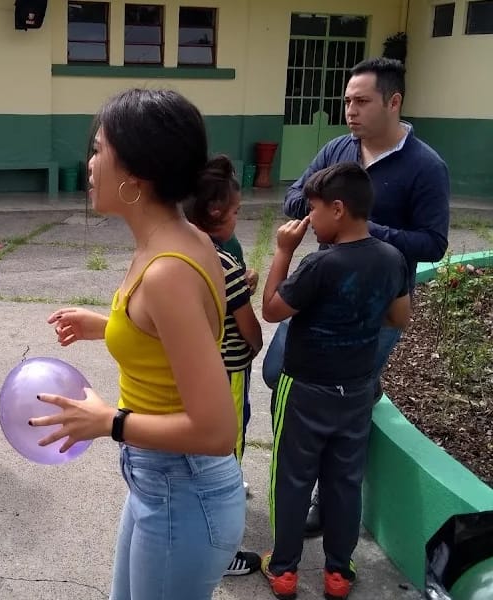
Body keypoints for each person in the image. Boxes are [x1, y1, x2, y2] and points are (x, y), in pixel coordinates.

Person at [31, 89, 246, 600]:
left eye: (98, 149)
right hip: (163, 481)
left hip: (184, 486)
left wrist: (110, 422)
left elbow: (217, 430)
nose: (88, 163)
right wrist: (109, 325)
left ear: (137, 173)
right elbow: (168, 339)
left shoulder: (167, 269)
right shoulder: (175, 239)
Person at [265, 57, 450, 536]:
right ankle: (298, 480)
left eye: (362, 101)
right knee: (277, 372)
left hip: (377, 305)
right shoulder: (338, 149)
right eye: (347, 100)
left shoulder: (426, 166)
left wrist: (363, 231)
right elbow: (293, 196)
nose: (350, 110)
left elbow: (432, 243)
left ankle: (328, 503)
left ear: (394, 102)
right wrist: (315, 201)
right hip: (319, 292)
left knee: (348, 397)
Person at [260, 162, 411, 600]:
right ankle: (338, 574)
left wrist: (284, 250)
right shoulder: (391, 258)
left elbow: (271, 309)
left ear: (339, 209)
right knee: (345, 481)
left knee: (291, 477)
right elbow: (400, 317)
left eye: (313, 209)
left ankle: (285, 570)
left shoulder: (318, 265)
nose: (309, 219)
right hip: (358, 389)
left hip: (305, 388)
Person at [183, 159, 263, 577]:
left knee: (199, 454)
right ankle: (221, 552)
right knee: (225, 454)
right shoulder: (227, 268)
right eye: (235, 212)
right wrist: (255, 343)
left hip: (192, 373)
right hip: (229, 373)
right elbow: (250, 332)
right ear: (215, 212)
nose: (237, 219)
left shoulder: (183, 257)